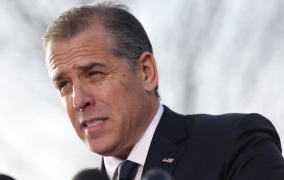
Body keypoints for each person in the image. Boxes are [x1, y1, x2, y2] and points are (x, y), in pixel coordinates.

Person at [42, 2, 284, 180]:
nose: (78, 100)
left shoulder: (233, 143)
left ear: (146, 72)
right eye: (64, 85)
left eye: (95, 74)